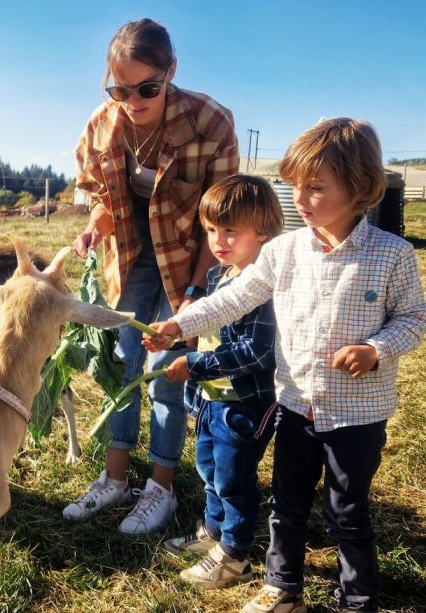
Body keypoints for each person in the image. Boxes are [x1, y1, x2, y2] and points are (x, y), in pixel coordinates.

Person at [145, 118, 426, 612]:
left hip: (356, 416)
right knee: (286, 504)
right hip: (294, 405)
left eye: (316, 187)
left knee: (346, 512)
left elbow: (414, 319)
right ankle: (282, 588)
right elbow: (236, 298)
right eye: (296, 185)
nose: (301, 197)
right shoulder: (284, 250)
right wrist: (181, 322)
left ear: (360, 187)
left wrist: (376, 348)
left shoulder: (392, 255)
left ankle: (358, 599)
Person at [63, 18, 239, 535]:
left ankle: (160, 486)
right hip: (129, 251)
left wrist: (194, 292)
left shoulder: (211, 122)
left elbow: (223, 217)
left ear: (171, 72)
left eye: (147, 88)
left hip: (186, 254)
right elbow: (93, 187)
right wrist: (96, 224)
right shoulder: (102, 123)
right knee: (123, 361)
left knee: (166, 367)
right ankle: (114, 477)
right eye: (119, 89)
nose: (132, 100)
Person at [146, 175, 283, 589]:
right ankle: (214, 531)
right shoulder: (220, 277)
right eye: (210, 231)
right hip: (212, 399)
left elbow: (256, 352)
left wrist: (195, 364)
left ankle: (235, 555)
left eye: (230, 231)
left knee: (234, 478)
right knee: (208, 468)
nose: (218, 240)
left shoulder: (264, 284)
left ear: (263, 230)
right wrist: (174, 331)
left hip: (244, 403)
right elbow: (206, 325)